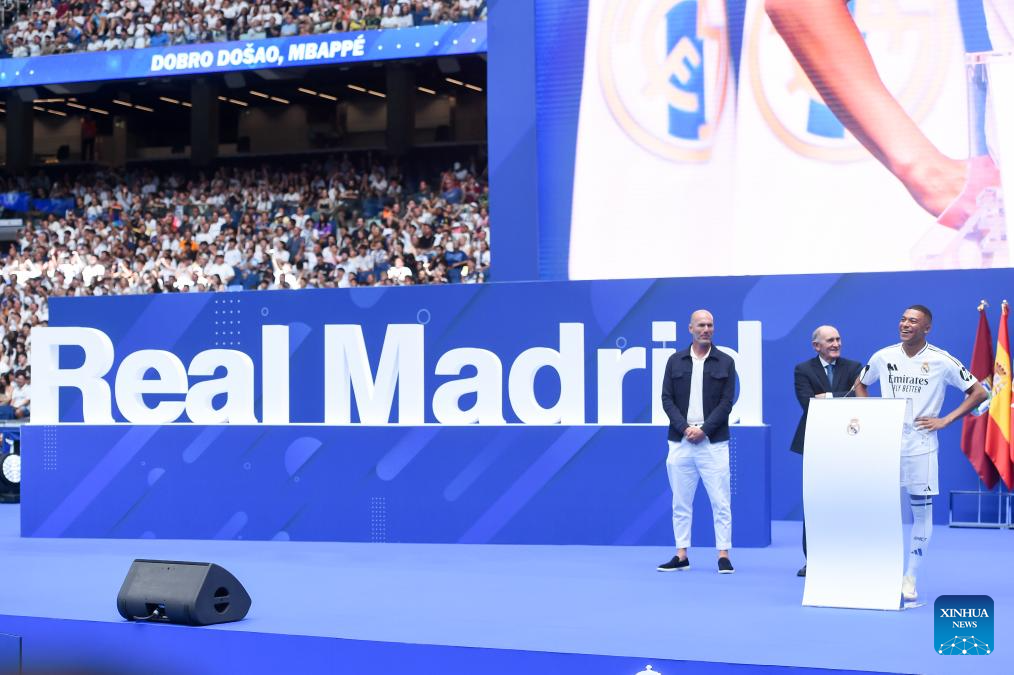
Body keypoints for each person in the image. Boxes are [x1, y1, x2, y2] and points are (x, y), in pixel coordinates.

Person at [855, 305, 986, 602]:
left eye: (913, 321)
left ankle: (910, 576)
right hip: (885, 446)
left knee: (921, 511)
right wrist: (872, 414)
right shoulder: (883, 356)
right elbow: (860, 383)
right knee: (880, 508)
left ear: (926, 328)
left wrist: (946, 420)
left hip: (921, 447)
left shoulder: (942, 360)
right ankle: (879, 570)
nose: (905, 324)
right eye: (903, 319)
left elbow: (979, 392)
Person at [658, 310, 737, 574]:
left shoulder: (725, 361)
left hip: (713, 442)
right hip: (680, 441)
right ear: (690, 328)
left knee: (721, 501)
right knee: (680, 501)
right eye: (701, 325)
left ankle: (723, 554)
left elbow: (727, 402)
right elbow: (666, 399)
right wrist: (685, 428)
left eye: (710, 325)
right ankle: (681, 554)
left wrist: (703, 430)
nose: (706, 329)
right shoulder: (674, 361)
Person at [790, 325, 863, 577]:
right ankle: (813, 560)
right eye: (830, 340)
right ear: (816, 346)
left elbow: (858, 399)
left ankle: (844, 557)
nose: (836, 344)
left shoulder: (854, 367)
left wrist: (827, 397)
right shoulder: (803, 370)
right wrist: (836, 397)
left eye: (838, 339)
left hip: (847, 442)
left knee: (845, 500)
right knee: (814, 502)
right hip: (815, 442)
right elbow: (808, 403)